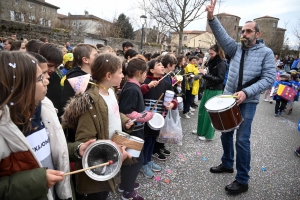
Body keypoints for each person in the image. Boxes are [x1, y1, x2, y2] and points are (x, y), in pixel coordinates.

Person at [0, 51, 95, 200]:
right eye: (40, 78)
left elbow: (47, 150)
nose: (47, 81)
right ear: (18, 85)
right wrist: (36, 181)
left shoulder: (44, 108)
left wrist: (76, 149)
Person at [206, 0, 275, 194]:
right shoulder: (235, 48)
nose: (244, 34)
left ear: (257, 34)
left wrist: (247, 92)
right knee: (225, 133)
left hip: (248, 102)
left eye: (248, 31)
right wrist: (211, 18)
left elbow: (269, 78)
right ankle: (227, 163)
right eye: (242, 31)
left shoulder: (266, 53)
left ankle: (242, 179)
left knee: (242, 140)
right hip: (228, 99)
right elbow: (222, 36)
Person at [61, 53, 133, 200]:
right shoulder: (91, 102)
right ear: (108, 75)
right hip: (101, 161)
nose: (123, 75)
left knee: (104, 193)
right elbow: (87, 141)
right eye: (120, 72)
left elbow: (114, 112)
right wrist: (116, 151)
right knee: (98, 195)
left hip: (112, 152)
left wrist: (125, 120)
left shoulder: (111, 91)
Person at [118, 57, 155, 200]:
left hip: (134, 129)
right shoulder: (133, 89)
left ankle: (125, 184)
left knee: (131, 159)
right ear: (139, 72)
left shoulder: (132, 86)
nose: (146, 76)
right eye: (145, 73)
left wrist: (142, 114)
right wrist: (144, 116)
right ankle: (128, 192)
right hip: (132, 131)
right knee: (135, 160)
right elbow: (126, 111)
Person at [140, 59, 177, 178]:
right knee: (146, 140)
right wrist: (147, 86)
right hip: (146, 118)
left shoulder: (166, 82)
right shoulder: (145, 81)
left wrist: (172, 104)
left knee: (152, 139)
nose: (162, 66)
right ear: (151, 70)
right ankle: (143, 164)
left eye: (162, 64)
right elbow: (138, 93)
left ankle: (149, 160)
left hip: (159, 117)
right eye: (159, 65)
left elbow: (173, 97)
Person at [194, 44, 227, 140]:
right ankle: (200, 130)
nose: (210, 55)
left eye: (212, 53)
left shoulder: (222, 63)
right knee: (202, 110)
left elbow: (220, 79)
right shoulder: (212, 61)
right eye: (209, 53)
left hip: (216, 90)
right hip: (208, 88)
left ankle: (208, 135)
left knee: (211, 113)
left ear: (218, 52)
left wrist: (205, 75)